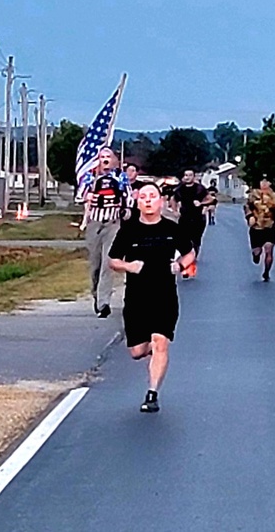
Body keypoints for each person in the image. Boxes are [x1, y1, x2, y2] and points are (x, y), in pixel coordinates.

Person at [109, 181, 196, 413]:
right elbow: (113, 261)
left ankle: (152, 394)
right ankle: (149, 348)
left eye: (152, 196)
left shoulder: (171, 228)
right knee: (137, 352)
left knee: (160, 342)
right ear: (138, 202)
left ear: (160, 202)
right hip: (137, 297)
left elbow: (189, 253)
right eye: (143, 197)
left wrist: (180, 265)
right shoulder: (128, 231)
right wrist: (130, 266)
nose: (148, 200)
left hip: (165, 295)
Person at [79, 147, 130, 318]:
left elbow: (128, 198)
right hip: (95, 223)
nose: (106, 160)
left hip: (113, 223)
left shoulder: (120, 177)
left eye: (109, 156)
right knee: (95, 264)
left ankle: (104, 303)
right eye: (102, 157)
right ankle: (96, 294)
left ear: (114, 159)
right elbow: (80, 196)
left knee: (108, 262)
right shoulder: (90, 177)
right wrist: (89, 196)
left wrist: (125, 207)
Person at [244, 177, 275, 282]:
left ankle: (266, 272)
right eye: (262, 182)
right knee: (257, 251)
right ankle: (256, 255)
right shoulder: (253, 194)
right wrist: (249, 216)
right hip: (256, 227)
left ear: (270, 183)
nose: (264, 184)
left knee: (269, 250)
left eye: (266, 182)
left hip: (269, 227)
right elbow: (247, 207)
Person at [172, 169, 214, 278]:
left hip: (198, 219)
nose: (187, 177)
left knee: (195, 242)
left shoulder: (200, 188)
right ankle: (186, 266)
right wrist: (175, 211)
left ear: (194, 177)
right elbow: (173, 200)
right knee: (184, 243)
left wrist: (201, 203)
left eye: (190, 175)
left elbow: (211, 199)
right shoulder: (180, 189)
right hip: (184, 218)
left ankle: (191, 262)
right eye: (186, 175)